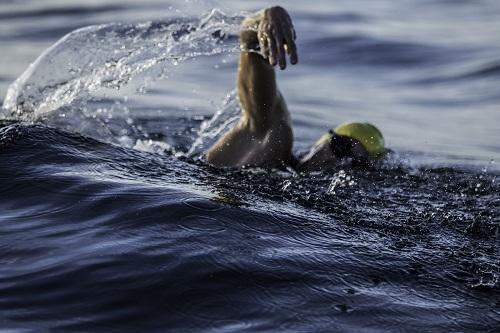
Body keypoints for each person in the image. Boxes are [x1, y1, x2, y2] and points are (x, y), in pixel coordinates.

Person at [205, 6, 386, 171]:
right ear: (322, 142)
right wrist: (266, 18)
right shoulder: (271, 142)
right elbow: (250, 45)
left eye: (356, 162)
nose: (338, 161)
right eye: (341, 147)